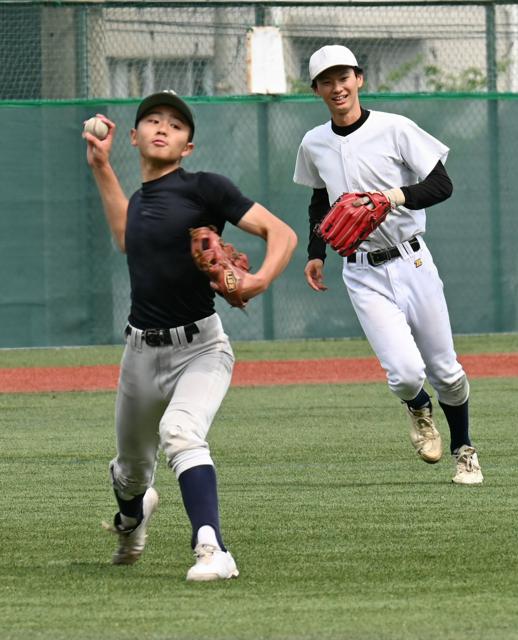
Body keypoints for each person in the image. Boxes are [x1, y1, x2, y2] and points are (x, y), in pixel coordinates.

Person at [83, 90, 297, 580]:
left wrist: (259, 280)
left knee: (181, 433)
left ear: (188, 148)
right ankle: (131, 519)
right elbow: (124, 237)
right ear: (133, 137)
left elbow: (281, 233)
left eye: (176, 125)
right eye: (153, 120)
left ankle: (214, 549)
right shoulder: (139, 200)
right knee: (130, 472)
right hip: (140, 352)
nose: (163, 128)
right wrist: (100, 165)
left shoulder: (205, 189)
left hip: (201, 347)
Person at [293, 45, 483, 485]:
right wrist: (315, 252)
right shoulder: (314, 143)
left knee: (447, 371)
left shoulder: (394, 128)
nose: (337, 87)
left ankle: (465, 450)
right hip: (362, 271)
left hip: (412, 259)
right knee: (405, 374)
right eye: (327, 80)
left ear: (359, 79)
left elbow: (441, 183)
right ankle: (418, 408)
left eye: (344, 77)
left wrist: (393, 197)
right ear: (317, 90)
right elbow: (319, 201)